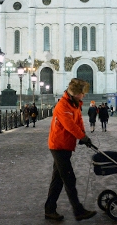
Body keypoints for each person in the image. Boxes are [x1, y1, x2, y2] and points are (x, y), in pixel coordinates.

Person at [44, 78, 97, 222]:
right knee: (68, 178)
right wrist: (82, 136)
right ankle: (78, 211)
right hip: (58, 145)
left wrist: (83, 135)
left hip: (65, 145)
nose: (84, 96)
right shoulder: (63, 105)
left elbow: (78, 121)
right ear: (75, 93)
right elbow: (69, 125)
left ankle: (49, 209)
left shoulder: (75, 104)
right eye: (82, 93)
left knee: (58, 179)